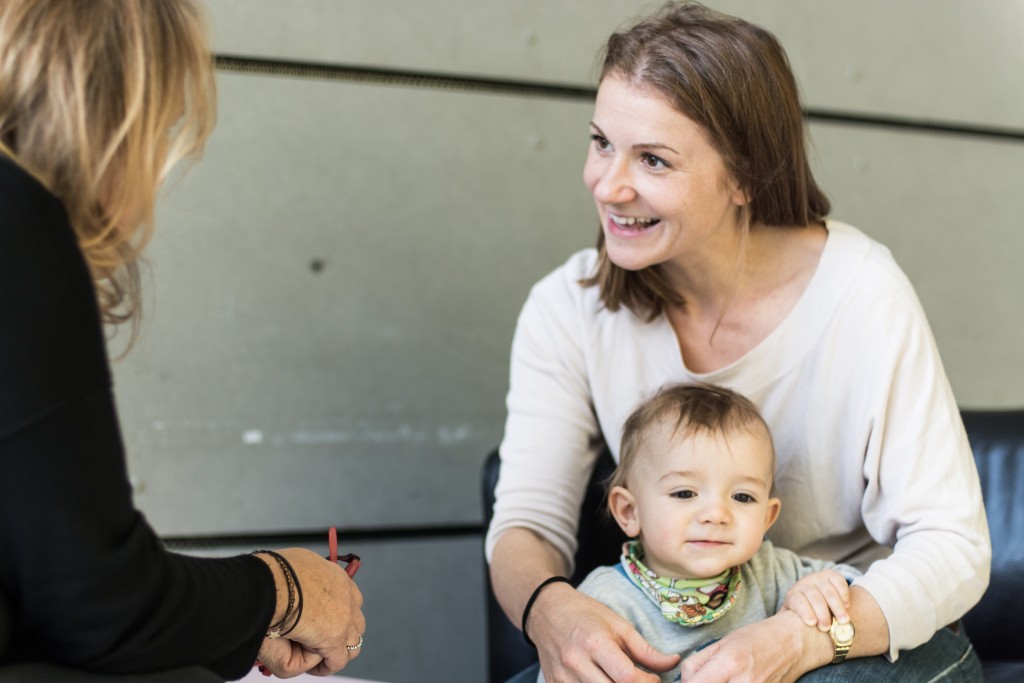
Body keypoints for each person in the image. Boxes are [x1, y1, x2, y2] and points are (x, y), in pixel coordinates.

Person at [486, 2, 990, 682]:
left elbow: (954, 546)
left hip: (843, 633)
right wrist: (552, 611)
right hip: (682, 645)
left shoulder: (861, 291)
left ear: (745, 178)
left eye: (654, 159)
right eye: (601, 141)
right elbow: (526, 525)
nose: (607, 183)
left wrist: (799, 640)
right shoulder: (567, 307)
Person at [0, 1, 365, 680]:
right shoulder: (19, 223)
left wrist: (238, 622)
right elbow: (99, 602)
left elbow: (48, 585)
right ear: (117, 113)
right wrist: (281, 587)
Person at [536, 383, 863, 683]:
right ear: (629, 512)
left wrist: (822, 589)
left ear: (767, 517)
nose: (716, 514)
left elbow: (857, 590)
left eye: (742, 497)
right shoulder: (604, 602)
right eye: (684, 493)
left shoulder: (774, 571)